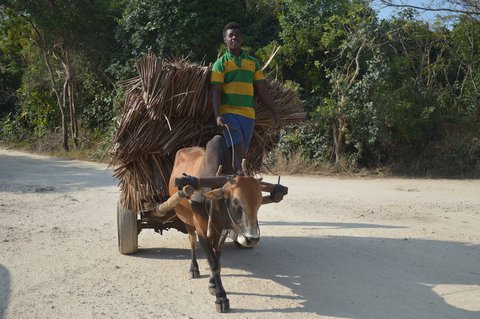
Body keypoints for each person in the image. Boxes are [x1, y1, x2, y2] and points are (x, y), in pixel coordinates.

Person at [211, 21, 280, 175]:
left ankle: (233, 176)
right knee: (237, 143)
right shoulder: (220, 64)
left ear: (241, 38)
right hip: (228, 112)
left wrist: (275, 111)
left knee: (243, 148)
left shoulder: (252, 63)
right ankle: (239, 175)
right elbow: (216, 91)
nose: (234, 38)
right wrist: (218, 116)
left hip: (248, 115)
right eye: (230, 36)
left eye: (237, 35)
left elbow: (262, 90)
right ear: (225, 40)